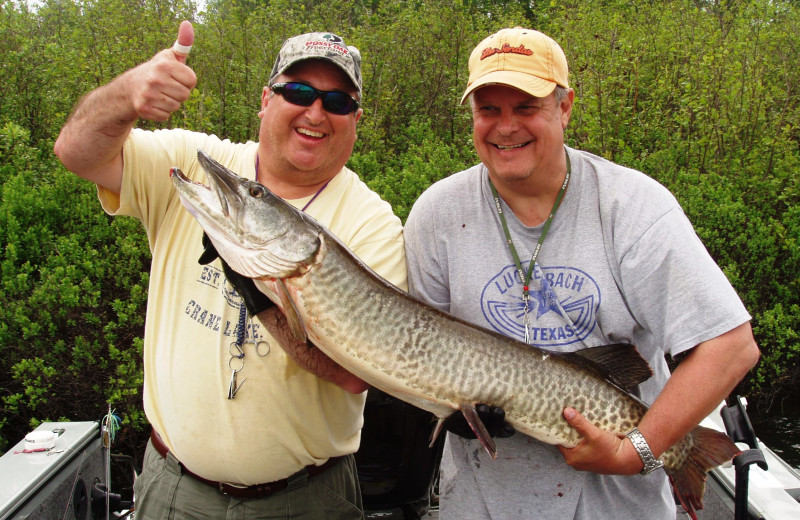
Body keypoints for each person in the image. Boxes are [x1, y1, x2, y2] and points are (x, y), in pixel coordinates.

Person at [403, 27, 760, 520]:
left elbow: (731, 347)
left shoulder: (634, 207)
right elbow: (417, 356)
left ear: (565, 107)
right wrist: (449, 409)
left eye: (526, 107)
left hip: (613, 506)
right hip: (481, 502)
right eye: (489, 109)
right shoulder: (436, 214)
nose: (506, 127)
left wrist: (637, 450)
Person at [54, 21, 406, 520]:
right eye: (298, 91)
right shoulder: (196, 163)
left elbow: (355, 375)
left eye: (338, 102)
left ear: (356, 119)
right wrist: (128, 95)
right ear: (266, 99)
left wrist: (261, 298)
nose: (315, 112)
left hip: (306, 499)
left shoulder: (372, 223)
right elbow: (76, 151)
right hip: (172, 488)